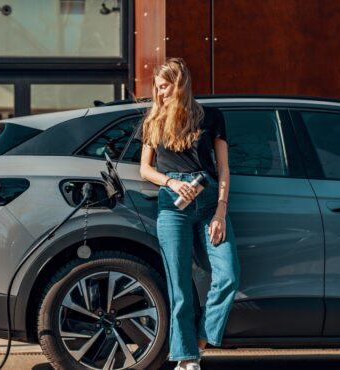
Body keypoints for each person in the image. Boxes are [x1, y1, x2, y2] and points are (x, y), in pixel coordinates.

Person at [139, 58, 240, 370]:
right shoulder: (153, 120)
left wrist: (221, 212)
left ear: (179, 83)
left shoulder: (211, 117)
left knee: (228, 276)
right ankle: (186, 358)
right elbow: (145, 169)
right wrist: (170, 182)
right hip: (173, 206)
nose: (160, 93)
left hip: (210, 202)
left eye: (164, 86)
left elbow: (223, 168)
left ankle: (200, 340)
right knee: (180, 285)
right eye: (157, 88)